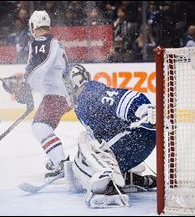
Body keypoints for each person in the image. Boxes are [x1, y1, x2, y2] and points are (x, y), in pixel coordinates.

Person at [63, 64, 156, 208]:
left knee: (90, 150)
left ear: (75, 82)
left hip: (136, 139)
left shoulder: (88, 96)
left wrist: (144, 111)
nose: (65, 89)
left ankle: (107, 190)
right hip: (137, 141)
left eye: (66, 84)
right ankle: (130, 179)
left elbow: (126, 98)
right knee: (95, 144)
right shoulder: (85, 99)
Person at [4, 11, 72, 179]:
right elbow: (40, 69)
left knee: (40, 127)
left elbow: (40, 67)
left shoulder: (41, 42)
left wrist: (26, 86)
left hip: (57, 94)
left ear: (33, 26)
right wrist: (25, 84)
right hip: (62, 93)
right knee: (45, 126)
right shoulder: (53, 41)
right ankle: (56, 156)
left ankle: (61, 163)